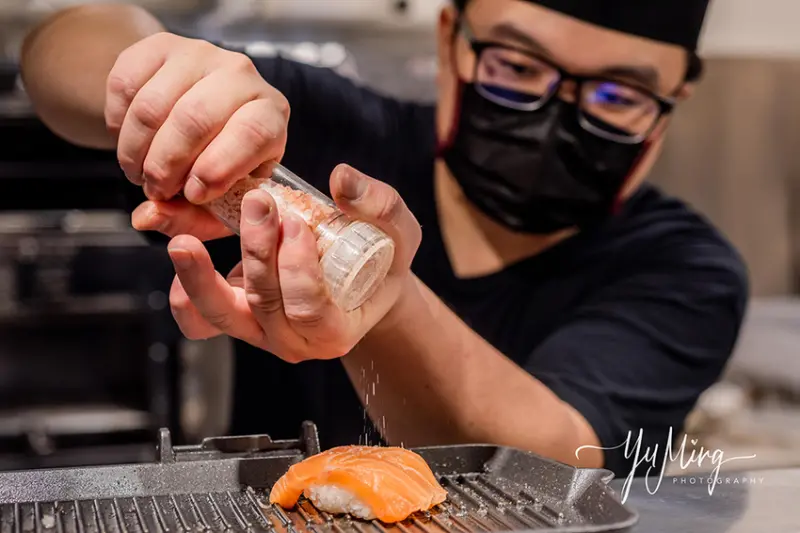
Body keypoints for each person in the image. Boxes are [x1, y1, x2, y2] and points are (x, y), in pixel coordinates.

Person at [20, 0, 749, 476]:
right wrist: (166, 76)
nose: (555, 116)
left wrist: (382, 298)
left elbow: (558, 463)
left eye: (617, 97)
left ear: (671, 107)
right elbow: (59, 51)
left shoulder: (686, 269)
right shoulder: (324, 134)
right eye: (517, 68)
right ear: (450, 41)